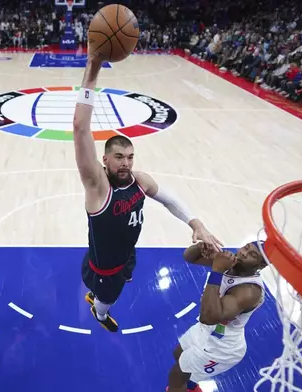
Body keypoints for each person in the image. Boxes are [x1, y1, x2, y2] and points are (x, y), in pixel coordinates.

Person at [73, 54, 223, 332]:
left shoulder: (139, 180)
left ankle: (101, 298)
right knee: (108, 300)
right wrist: (93, 69)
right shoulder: (98, 187)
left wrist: (196, 223)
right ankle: (100, 312)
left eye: (130, 157)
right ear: (104, 160)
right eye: (118, 157)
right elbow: (81, 129)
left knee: (124, 270)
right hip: (104, 269)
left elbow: (168, 199)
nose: (126, 163)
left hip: (126, 255)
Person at [167, 241, 267, 392]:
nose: (243, 253)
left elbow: (209, 317)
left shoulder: (249, 291)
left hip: (221, 347)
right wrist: (199, 247)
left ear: (260, 265)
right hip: (207, 331)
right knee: (178, 354)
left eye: (252, 255)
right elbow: (189, 257)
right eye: (246, 247)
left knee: (176, 377)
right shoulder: (232, 263)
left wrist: (217, 270)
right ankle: (192, 387)